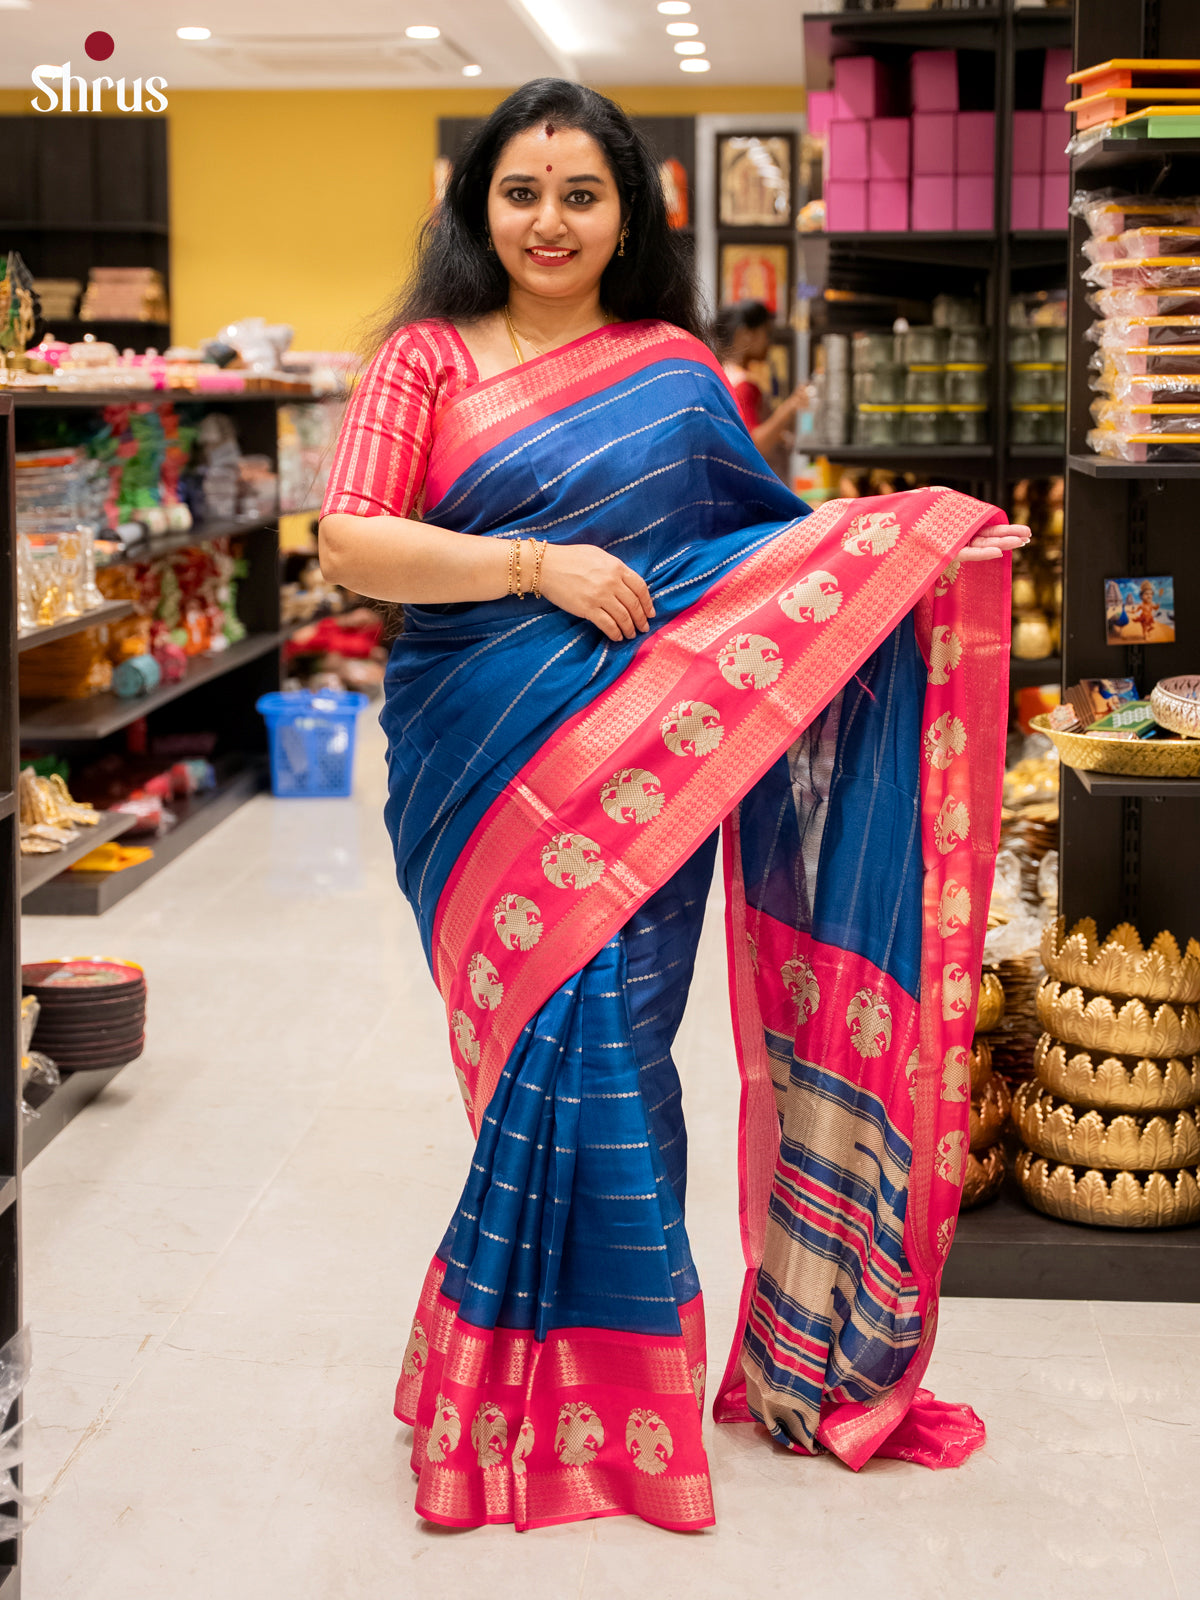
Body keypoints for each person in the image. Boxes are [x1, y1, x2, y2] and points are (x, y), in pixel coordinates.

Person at [318, 78, 1029, 1534]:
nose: (551, 220)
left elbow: (774, 565)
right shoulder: (426, 361)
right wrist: (537, 567)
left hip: (646, 771)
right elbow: (351, 543)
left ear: (629, 212)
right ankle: (539, 1385)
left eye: (584, 193)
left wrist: (919, 552)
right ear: (478, 206)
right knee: (532, 1060)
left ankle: (602, 1409)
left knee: (618, 1055)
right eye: (522, 190)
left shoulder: (675, 371)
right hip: (477, 769)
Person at [714, 298, 808, 473]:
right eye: (766, 333)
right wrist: (790, 407)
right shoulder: (743, 385)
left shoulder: (721, 376)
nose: (768, 341)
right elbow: (755, 444)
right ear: (745, 334)